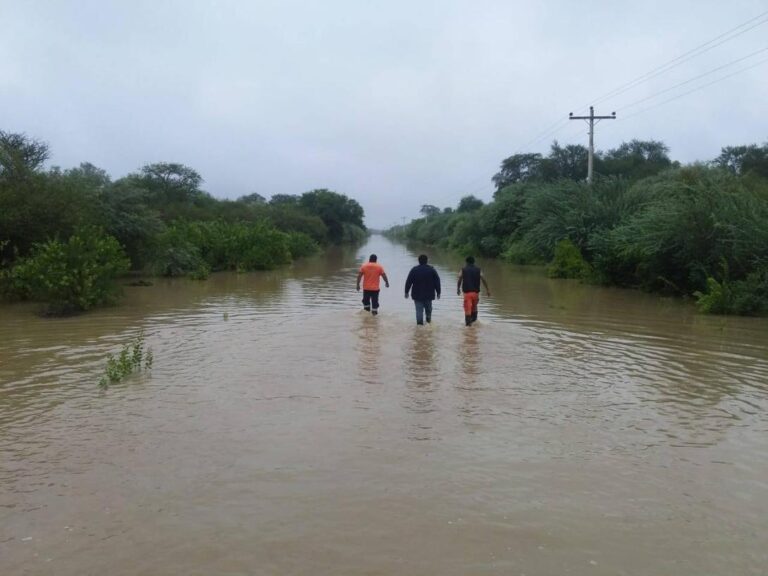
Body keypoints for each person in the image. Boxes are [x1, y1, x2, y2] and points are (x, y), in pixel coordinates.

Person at [404, 254, 441, 325]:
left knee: (419, 311)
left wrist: (406, 292)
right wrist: (438, 292)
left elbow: (408, 281)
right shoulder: (432, 270)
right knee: (428, 310)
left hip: (417, 295)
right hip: (429, 295)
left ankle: (419, 328)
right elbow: (437, 282)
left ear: (418, 261)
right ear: (427, 261)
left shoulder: (414, 270)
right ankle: (428, 323)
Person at [457, 256, 491, 326]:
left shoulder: (463, 269)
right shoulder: (478, 270)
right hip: (476, 294)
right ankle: (474, 326)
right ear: (474, 262)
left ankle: (468, 329)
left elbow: (460, 278)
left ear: (466, 262)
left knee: (468, 311)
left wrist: (458, 288)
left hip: (467, 294)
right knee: (474, 308)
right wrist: (488, 290)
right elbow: (483, 279)